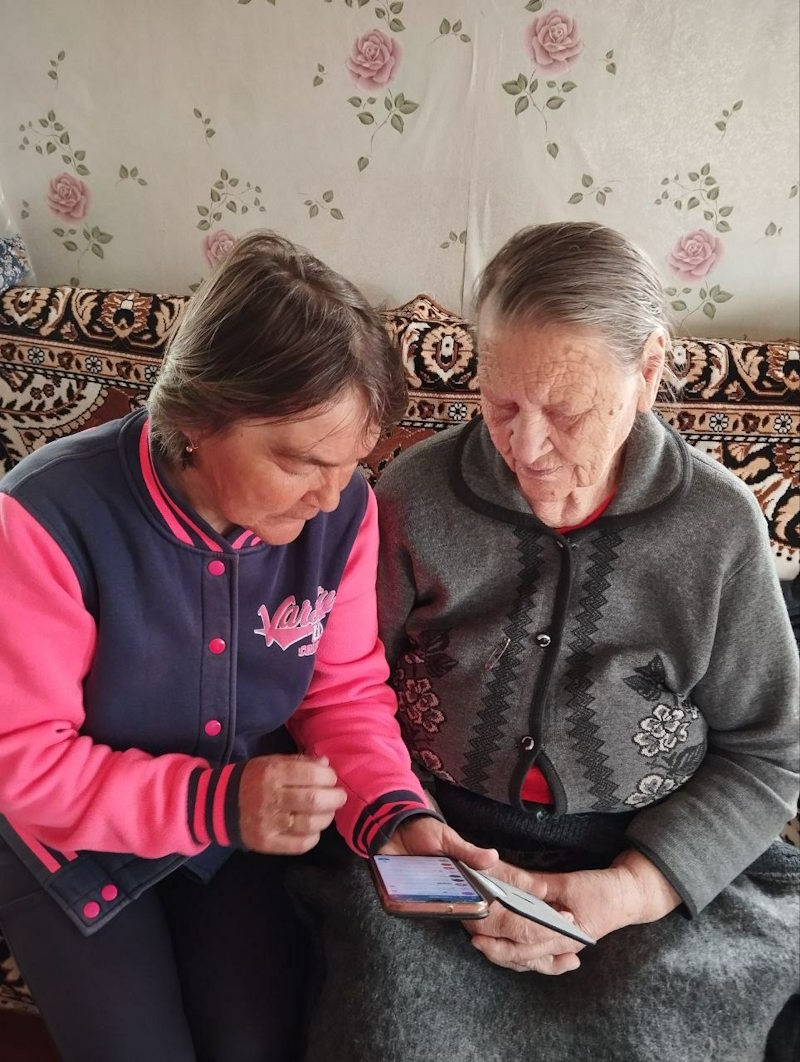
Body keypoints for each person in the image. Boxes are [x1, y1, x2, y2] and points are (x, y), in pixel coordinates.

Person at [287, 222, 800, 1062]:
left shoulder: (718, 526)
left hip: (647, 857)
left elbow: (769, 755)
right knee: (390, 1038)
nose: (526, 448)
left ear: (649, 371)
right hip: (440, 838)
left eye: (565, 410)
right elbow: (342, 692)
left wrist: (628, 891)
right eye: (501, 404)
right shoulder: (416, 495)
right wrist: (420, 847)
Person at [0, 231, 495, 1062]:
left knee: (257, 1046)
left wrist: (396, 813)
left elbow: (339, 693)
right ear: (196, 417)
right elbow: (23, 762)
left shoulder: (343, 513)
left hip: (233, 835)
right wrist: (217, 803)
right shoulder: (43, 519)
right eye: (302, 462)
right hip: (67, 843)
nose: (331, 497)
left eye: (352, 463)